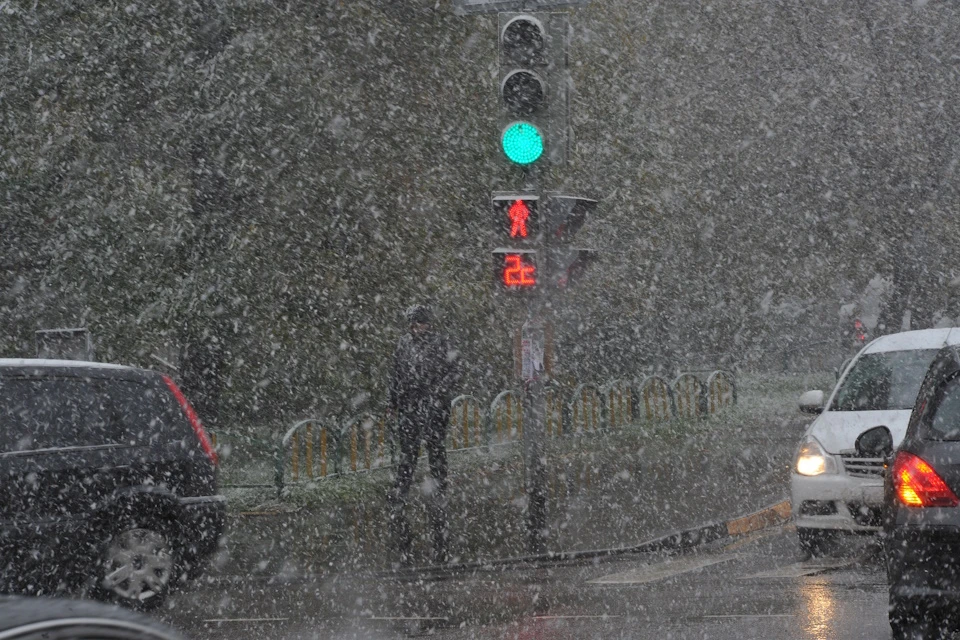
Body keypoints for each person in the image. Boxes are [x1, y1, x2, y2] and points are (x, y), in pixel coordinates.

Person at [387, 304, 460, 566]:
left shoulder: (441, 343)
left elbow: (454, 373)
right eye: (414, 324)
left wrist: (438, 394)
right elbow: (395, 373)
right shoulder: (403, 344)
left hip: (434, 405)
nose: (418, 328)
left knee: (435, 447)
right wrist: (393, 401)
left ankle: (439, 485)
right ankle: (401, 488)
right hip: (409, 404)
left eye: (421, 323)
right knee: (408, 450)